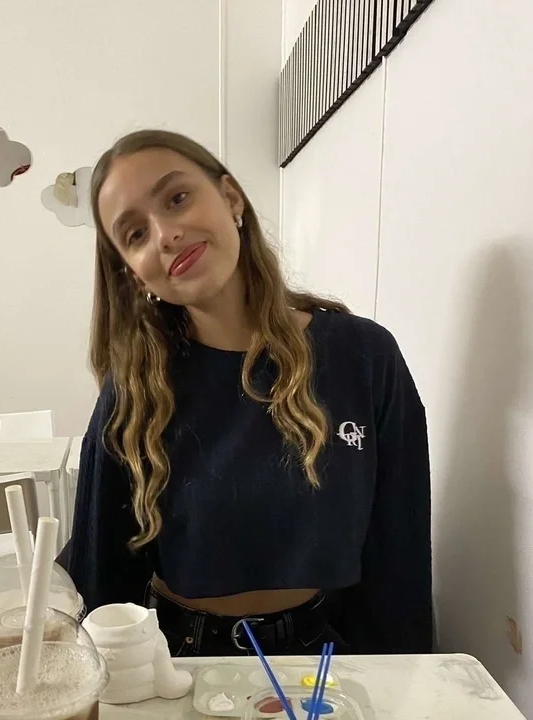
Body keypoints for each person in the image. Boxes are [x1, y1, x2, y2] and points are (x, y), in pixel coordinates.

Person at [56, 129, 433, 657]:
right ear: (134, 273)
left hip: (325, 664)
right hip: (178, 668)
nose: (165, 234)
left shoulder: (365, 356)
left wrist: (408, 679)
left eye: (177, 198)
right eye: (136, 234)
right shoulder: (134, 391)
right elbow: (101, 579)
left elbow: (400, 548)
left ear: (231, 198)